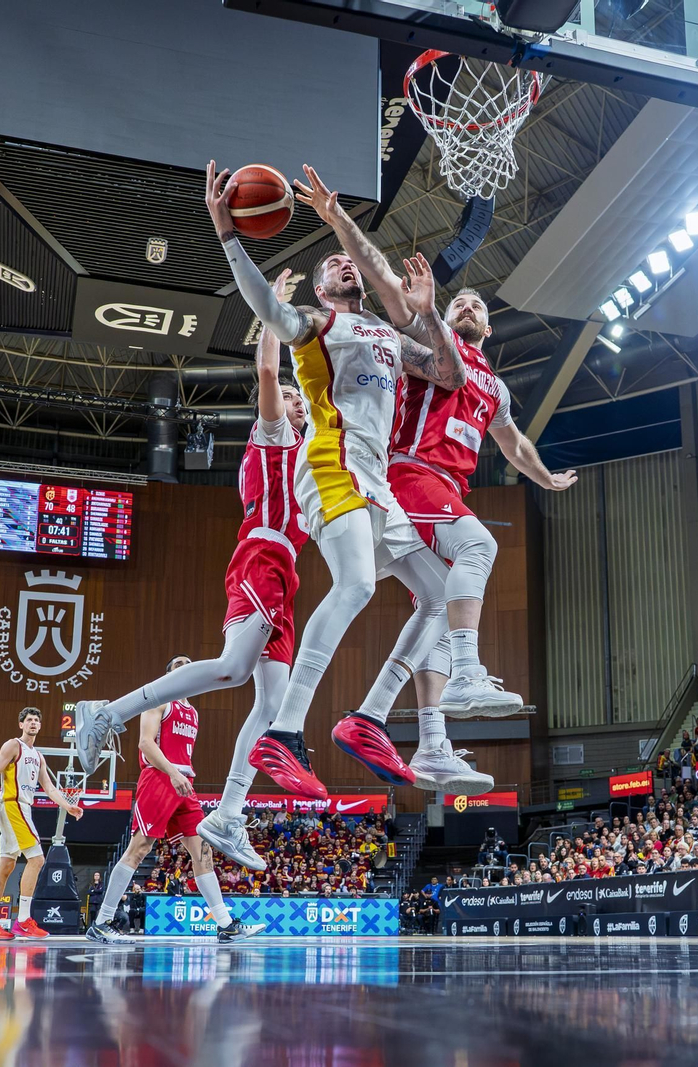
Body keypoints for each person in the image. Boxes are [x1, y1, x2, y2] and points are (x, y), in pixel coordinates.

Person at [297, 168, 578, 784]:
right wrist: (338, 219)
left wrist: (544, 477)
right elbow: (381, 278)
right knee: (476, 548)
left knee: (440, 600)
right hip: (406, 474)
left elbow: (515, 442)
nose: (468, 303)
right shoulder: (427, 337)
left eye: (477, 303)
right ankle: (468, 675)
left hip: (440, 491)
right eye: (459, 301)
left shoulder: (495, 387)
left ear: (491, 325)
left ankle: (423, 740)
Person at [204, 161, 469, 797]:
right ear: (321, 290)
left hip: (375, 479)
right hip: (329, 461)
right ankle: (285, 732)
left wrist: (430, 315)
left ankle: (368, 717)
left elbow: (451, 376)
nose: (344, 267)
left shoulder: (386, 330)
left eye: (347, 264)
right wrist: (228, 237)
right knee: (353, 585)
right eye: (332, 268)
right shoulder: (316, 326)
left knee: (442, 596)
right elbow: (267, 306)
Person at [75, 313, 310, 872]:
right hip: (262, 556)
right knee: (232, 669)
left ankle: (230, 812)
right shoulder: (275, 435)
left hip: (287, 572)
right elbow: (268, 371)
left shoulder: (309, 458)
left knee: (273, 705)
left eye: (305, 403)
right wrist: (275, 315)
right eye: (297, 401)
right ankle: (108, 712)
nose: (299, 406)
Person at [87, 661, 263, 945]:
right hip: (160, 778)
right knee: (140, 848)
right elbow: (145, 743)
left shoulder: (192, 711)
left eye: (189, 665)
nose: (185, 667)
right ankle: (102, 922)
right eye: (179, 665)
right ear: (169, 674)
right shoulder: (158, 701)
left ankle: (226, 925)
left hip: (184, 783)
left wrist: (180, 776)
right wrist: (172, 773)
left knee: (203, 851)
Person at [0, 708, 84, 941]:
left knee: (6, 865)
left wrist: (68, 806)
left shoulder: (38, 756)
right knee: (37, 859)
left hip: (19, 807)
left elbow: (50, 788)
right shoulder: (12, 746)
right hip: (12, 804)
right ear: (21, 724)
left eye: (37, 720)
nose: (33, 723)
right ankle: (24, 920)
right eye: (29, 720)